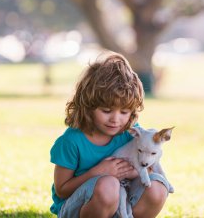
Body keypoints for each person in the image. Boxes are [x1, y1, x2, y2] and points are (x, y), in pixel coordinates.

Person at [50, 52, 171, 218]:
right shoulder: (71, 141)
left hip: (122, 204)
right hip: (77, 209)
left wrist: (133, 172)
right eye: (106, 110)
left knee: (156, 187)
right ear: (88, 105)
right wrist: (98, 172)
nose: (115, 119)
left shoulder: (132, 133)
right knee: (108, 184)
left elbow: (147, 167)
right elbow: (62, 190)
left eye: (124, 111)